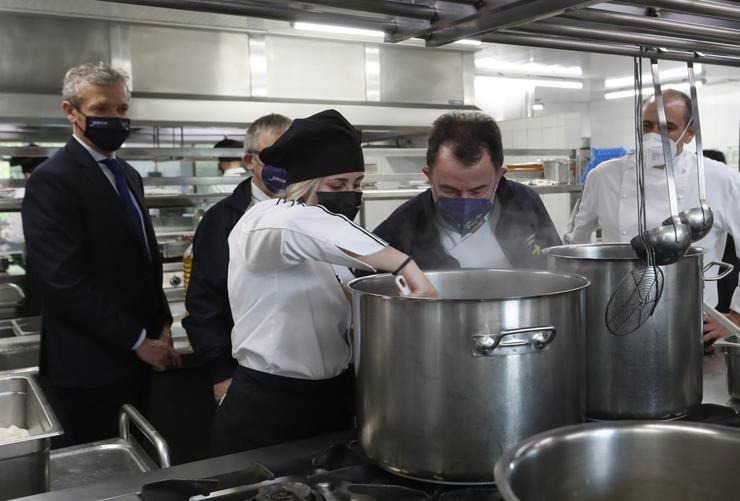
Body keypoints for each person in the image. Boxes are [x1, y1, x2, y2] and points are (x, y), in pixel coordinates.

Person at [211, 109, 437, 455]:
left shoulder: (337, 253)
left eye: (357, 184)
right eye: (337, 185)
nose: (350, 194)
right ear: (306, 183)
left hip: (331, 400)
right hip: (270, 405)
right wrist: (407, 267)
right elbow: (302, 224)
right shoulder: (264, 222)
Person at [22, 62, 180, 447]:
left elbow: (144, 260)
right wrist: (138, 339)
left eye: (121, 110)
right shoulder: (53, 180)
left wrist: (162, 323)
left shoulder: (127, 174)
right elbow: (64, 283)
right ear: (70, 111)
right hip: (88, 367)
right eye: (101, 110)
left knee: (140, 459)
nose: (114, 119)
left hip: (136, 360)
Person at [564, 90, 740, 341]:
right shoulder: (603, 177)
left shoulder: (719, 179)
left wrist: (735, 318)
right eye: (647, 126)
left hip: (690, 325)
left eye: (667, 128)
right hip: (616, 318)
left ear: (690, 133)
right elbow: (573, 245)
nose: (654, 136)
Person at [184, 113, 291, 404]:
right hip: (247, 375)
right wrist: (221, 374)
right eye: (274, 156)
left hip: (307, 374)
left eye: (293, 155)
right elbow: (204, 302)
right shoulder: (222, 220)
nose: (286, 164)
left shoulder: (312, 212)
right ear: (249, 162)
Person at [373, 111, 561, 269]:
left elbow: (557, 268)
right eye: (449, 190)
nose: (464, 200)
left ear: (499, 176)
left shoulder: (523, 202)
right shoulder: (402, 228)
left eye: (478, 191)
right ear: (429, 176)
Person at [2, 146, 47, 247]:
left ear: (26, 174)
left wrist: (2, 233)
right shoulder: (53, 188)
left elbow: (16, 237)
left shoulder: (24, 192)